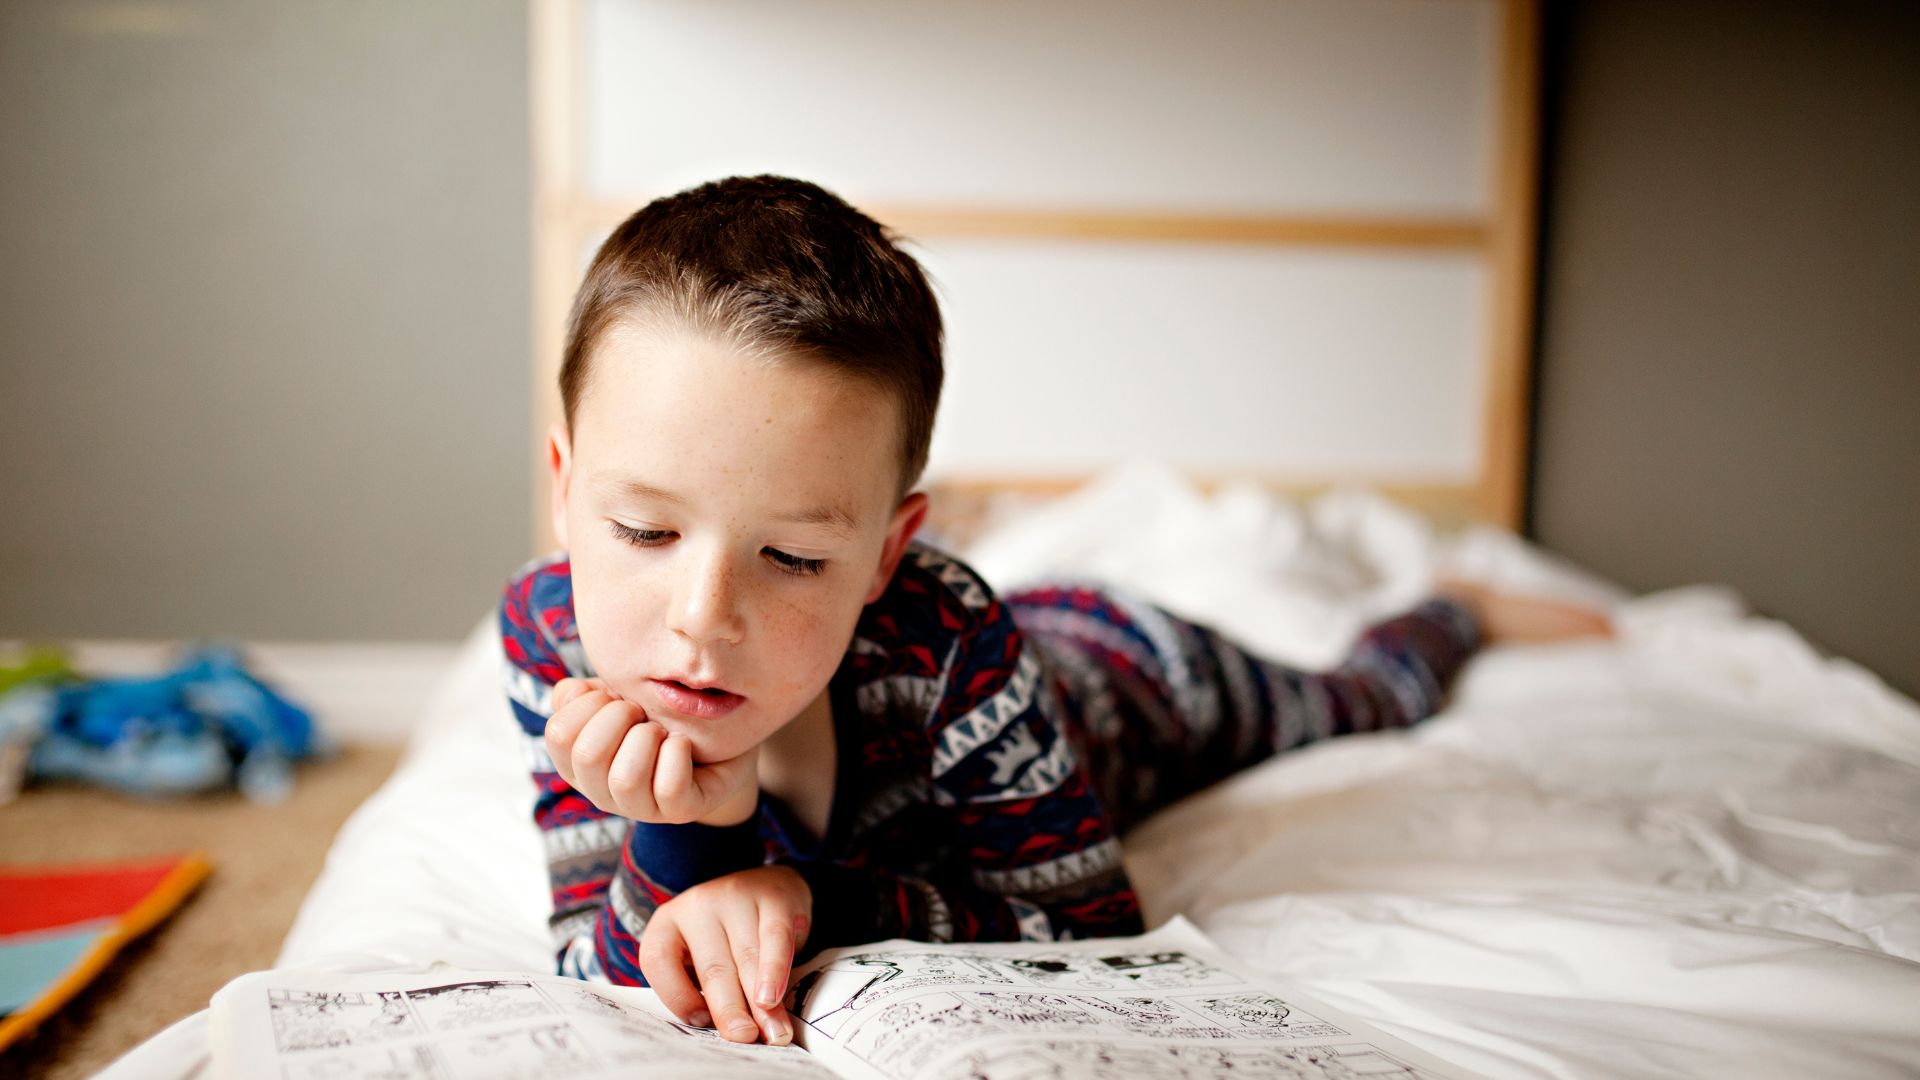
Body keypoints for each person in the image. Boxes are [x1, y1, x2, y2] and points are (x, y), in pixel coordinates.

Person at [497, 175, 1612, 1049]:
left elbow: (1086, 932)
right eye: (644, 534)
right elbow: (591, 957)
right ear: (564, 489)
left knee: (1363, 700)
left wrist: (806, 895)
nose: (701, 619)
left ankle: (1450, 608)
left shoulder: (949, 649)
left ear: (888, 551)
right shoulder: (550, 637)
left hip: (1123, 677)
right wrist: (684, 828)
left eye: (791, 556)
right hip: (1028, 664)